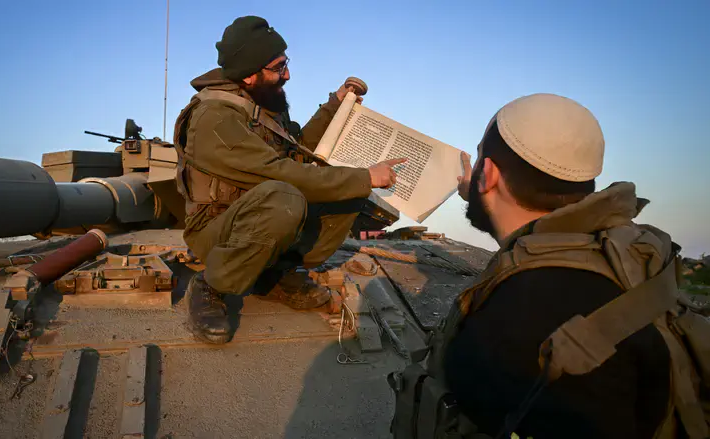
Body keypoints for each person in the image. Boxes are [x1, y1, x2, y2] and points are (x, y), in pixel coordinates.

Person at [388, 93, 708, 439]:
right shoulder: (622, 250)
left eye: (480, 157)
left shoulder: (504, 328)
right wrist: (482, 192)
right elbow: (529, 238)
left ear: (490, 174)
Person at [172, 15, 405, 344]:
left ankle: (275, 276)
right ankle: (212, 285)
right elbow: (281, 172)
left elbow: (298, 153)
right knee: (287, 197)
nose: (288, 74)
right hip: (218, 230)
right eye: (279, 67)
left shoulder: (261, 105)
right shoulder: (213, 118)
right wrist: (365, 176)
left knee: (347, 194)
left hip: (261, 217)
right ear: (251, 74)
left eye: (286, 63)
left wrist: (335, 107)